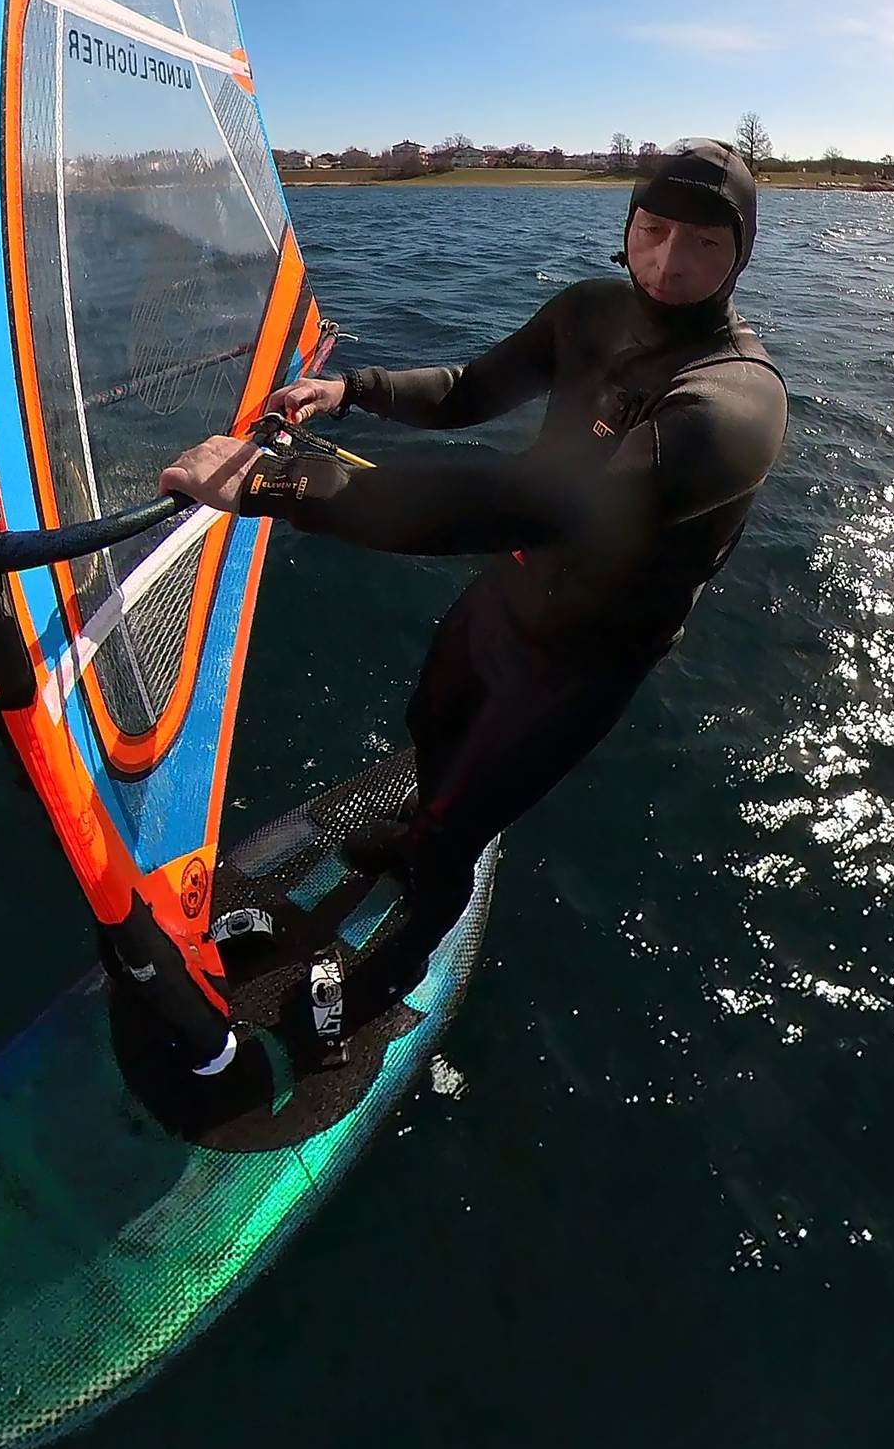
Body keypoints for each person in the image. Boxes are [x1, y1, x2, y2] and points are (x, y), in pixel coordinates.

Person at [159, 139, 788, 1031]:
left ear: (741, 255)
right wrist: (351, 391)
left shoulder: (736, 402)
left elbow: (548, 505)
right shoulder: (591, 311)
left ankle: (393, 969)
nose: (669, 262)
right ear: (628, 224)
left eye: (705, 243)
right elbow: (468, 390)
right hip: (510, 597)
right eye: (652, 229)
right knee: (429, 721)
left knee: (461, 827)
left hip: (585, 658)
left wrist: (279, 486)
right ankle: (416, 837)